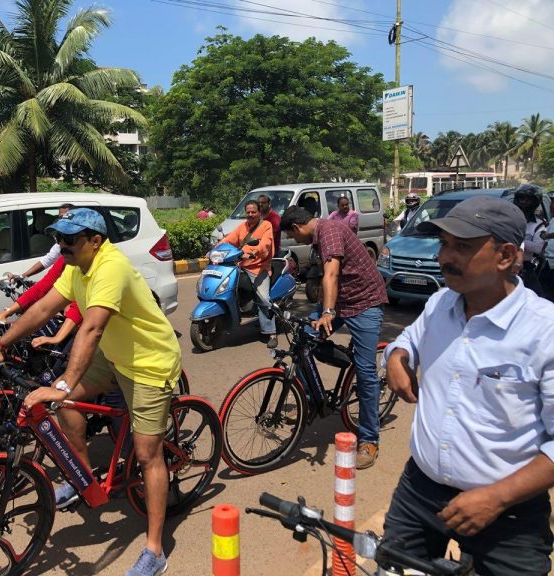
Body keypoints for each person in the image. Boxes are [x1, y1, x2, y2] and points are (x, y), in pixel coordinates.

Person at [0, 208, 181, 576]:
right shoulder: (77, 267)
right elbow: (43, 307)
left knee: (147, 454)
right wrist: (1, 343)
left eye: (69, 239)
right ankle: (83, 477)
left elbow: (91, 329)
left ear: (95, 241)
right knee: (66, 406)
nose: (61, 245)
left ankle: (155, 550)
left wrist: (63, 384)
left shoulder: (110, 267)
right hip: (116, 356)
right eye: (58, 238)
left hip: (149, 363)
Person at [382, 196, 554, 575]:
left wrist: (497, 498)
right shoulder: (440, 303)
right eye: (443, 243)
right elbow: (408, 338)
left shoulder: (545, 331)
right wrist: (397, 357)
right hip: (419, 495)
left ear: (505, 256)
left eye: (461, 247)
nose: (444, 257)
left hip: (509, 514)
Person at [280, 205, 387, 468]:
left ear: (297, 227)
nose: (295, 240)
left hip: (365, 303)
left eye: (293, 236)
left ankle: (369, 440)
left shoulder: (328, 232)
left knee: (366, 373)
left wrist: (327, 312)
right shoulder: (319, 236)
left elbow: (332, 273)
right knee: (302, 340)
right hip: (341, 301)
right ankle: (310, 401)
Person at [217, 199, 277, 348]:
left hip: (259, 267)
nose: (250, 215)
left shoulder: (266, 225)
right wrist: (215, 248)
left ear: (259, 212)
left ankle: (271, 332)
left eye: (253, 212)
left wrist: (254, 252)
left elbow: (266, 243)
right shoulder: (242, 227)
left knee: (263, 298)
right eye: (248, 212)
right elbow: (229, 239)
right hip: (240, 265)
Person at [12, 203, 74, 281]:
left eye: (65, 217)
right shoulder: (59, 248)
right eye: (58, 238)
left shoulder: (80, 257)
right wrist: (22, 276)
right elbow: (47, 261)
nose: (60, 243)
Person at [513, 184, 546, 296]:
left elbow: (538, 247)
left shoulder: (539, 224)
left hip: (525, 267)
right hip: (505, 265)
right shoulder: (509, 219)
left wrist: (517, 241)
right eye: (522, 199)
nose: (524, 202)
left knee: (539, 297)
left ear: (535, 202)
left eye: (528, 200)